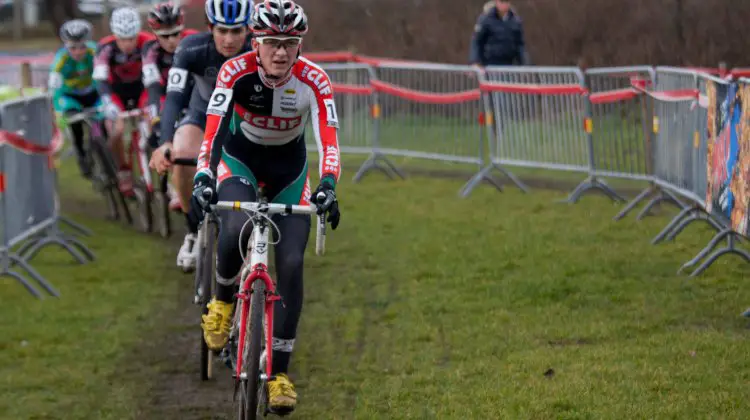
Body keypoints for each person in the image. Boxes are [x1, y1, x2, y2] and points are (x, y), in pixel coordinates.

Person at [189, 0, 341, 413]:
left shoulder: (315, 80)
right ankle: (221, 303)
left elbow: (328, 140)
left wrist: (328, 185)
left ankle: (279, 374)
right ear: (255, 42)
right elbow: (213, 130)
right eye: (272, 42)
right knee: (235, 225)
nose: (280, 52)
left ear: (299, 44)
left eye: (289, 43)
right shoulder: (233, 72)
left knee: (291, 262)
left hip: (290, 174)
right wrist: (203, 173)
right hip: (239, 160)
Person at [149, 0, 253, 272]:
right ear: (209, 28)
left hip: (243, 119)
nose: (229, 39)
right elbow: (173, 98)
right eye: (222, 31)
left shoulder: (260, 49)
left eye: (237, 31)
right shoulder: (191, 48)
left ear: (249, 30)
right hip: (202, 113)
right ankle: (192, 230)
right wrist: (165, 142)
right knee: (182, 157)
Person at [142, 2, 200, 210]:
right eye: (164, 36)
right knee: (162, 135)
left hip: (197, 98)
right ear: (154, 33)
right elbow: (153, 90)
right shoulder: (150, 51)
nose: (172, 40)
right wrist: (157, 120)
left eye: (176, 34)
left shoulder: (195, 40)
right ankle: (175, 190)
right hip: (168, 99)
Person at [94, 7, 156, 196]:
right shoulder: (105, 47)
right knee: (117, 130)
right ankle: (123, 170)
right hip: (116, 93)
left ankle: (156, 170)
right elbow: (101, 78)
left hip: (142, 89)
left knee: (153, 125)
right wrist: (107, 102)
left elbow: (155, 73)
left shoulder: (148, 42)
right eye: (123, 39)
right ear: (115, 35)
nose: (128, 44)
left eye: (131, 38)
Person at [49, 19, 100, 178]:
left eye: (82, 47)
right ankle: (81, 154)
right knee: (75, 124)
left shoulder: (95, 51)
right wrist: (58, 110)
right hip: (70, 96)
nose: (78, 52)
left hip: (92, 93)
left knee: (102, 125)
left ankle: (102, 150)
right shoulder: (61, 58)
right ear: (65, 45)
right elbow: (54, 86)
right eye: (72, 48)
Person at [470, 0, 529, 68]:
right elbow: (476, 41)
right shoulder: (485, 19)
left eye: (506, 1)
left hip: (509, 65)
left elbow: (520, 45)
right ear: (496, 2)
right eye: (501, 1)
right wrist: (475, 61)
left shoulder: (515, 20)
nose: (504, 4)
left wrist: (525, 64)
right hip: (489, 65)